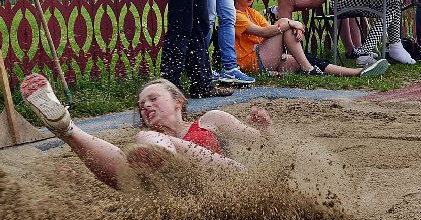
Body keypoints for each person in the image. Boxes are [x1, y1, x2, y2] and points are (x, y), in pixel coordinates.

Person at [19, 73, 272, 190]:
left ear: (178, 101)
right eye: (141, 106)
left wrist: (265, 126)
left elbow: (263, 144)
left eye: (153, 99)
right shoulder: (143, 147)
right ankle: (66, 129)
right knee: (133, 154)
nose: (146, 106)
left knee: (143, 142)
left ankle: (164, 161)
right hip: (181, 201)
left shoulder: (211, 119)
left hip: (230, 182)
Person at [232, 0, 389, 77]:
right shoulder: (236, 15)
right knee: (284, 26)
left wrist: (293, 25)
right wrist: (291, 23)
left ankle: (356, 72)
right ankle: (308, 69)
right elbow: (265, 33)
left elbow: (273, 27)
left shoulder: (251, 12)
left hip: (266, 57)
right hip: (252, 61)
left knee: (307, 58)